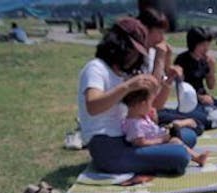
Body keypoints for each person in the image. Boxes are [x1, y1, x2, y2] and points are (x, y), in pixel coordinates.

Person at [77, 17, 196, 175]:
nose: (134, 56)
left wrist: (168, 81)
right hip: (106, 144)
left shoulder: (125, 72)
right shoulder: (96, 68)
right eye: (133, 50)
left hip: (131, 137)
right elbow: (93, 106)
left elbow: (154, 105)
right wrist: (127, 86)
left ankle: (159, 153)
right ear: (119, 45)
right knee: (179, 155)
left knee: (188, 136)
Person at [163, 26, 217, 127]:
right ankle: (212, 115)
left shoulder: (204, 60)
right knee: (206, 118)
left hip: (207, 98)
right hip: (191, 102)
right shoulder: (182, 60)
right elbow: (181, 88)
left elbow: (211, 86)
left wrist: (211, 68)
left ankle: (214, 114)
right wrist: (200, 97)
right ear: (193, 44)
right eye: (202, 45)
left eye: (207, 45)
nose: (206, 49)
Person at [122, 88, 208, 167]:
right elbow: (140, 143)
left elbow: (153, 128)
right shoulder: (134, 124)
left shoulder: (142, 117)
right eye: (149, 104)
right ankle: (197, 158)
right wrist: (162, 140)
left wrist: (154, 118)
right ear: (140, 105)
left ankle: (194, 155)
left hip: (160, 137)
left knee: (175, 136)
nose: (151, 107)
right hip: (152, 145)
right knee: (176, 142)